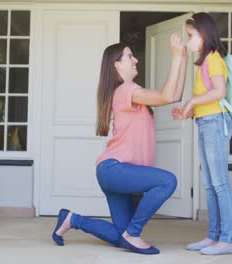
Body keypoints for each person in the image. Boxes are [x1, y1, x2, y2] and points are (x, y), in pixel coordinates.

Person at [52, 33, 187, 255]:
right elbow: (166, 95)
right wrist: (174, 56)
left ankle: (72, 219)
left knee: (120, 236)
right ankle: (133, 233)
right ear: (117, 64)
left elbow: (174, 96)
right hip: (115, 170)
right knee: (167, 181)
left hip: (114, 172)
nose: (135, 60)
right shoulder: (126, 90)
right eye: (130, 56)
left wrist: (181, 59)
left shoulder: (129, 91)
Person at [172, 12, 232, 255]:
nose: (189, 41)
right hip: (204, 122)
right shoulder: (203, 62)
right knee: (210, 185)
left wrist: (192, 102)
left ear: (204, 34)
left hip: (215, 123)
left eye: (191, 35)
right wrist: (187, 112)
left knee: (219, 183)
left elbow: (218, 92)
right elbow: (206, 100)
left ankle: (227, 240)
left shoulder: (215, 59)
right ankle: (213, 236)